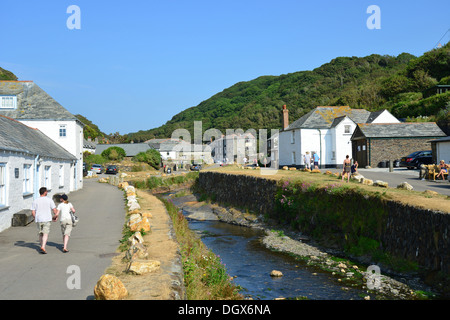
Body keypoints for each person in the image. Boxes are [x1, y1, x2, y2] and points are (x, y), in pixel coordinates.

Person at [31, 187, 58, 254]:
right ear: (45, 192)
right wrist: (55, 216)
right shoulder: (49, 200)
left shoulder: (35, 200)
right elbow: (54, 210)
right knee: (45, 233)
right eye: (46, 191)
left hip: (39, 219)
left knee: (40, 234)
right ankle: (43, 247)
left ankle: (41, 246)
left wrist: (35, 217)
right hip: (47, 218)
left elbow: (33, 211)